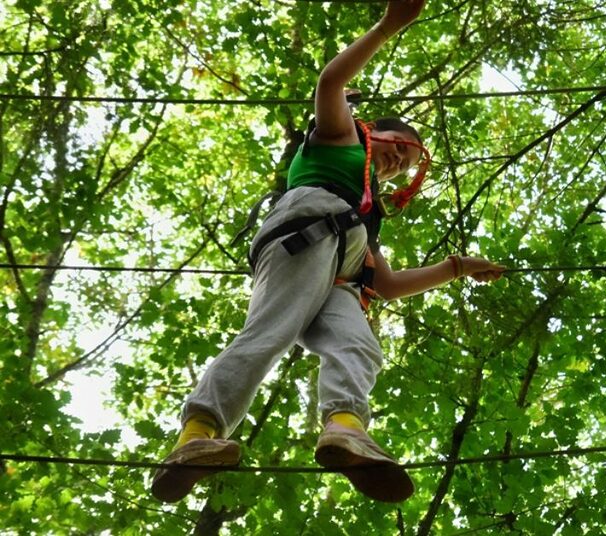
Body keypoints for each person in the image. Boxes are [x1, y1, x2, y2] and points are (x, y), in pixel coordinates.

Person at [150, 0, 504, 504]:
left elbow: (385, 285)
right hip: (307, 234)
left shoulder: (365, 212)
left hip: (340, 269)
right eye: (397, 146)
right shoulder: (342, 138)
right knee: (270, 334)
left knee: (358, 346)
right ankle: (196, 433)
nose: (397, 162)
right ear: (373, 132)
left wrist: (458, 267)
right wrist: (390, 25)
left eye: (404, 164)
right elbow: (330, 85)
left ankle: (343, 426)